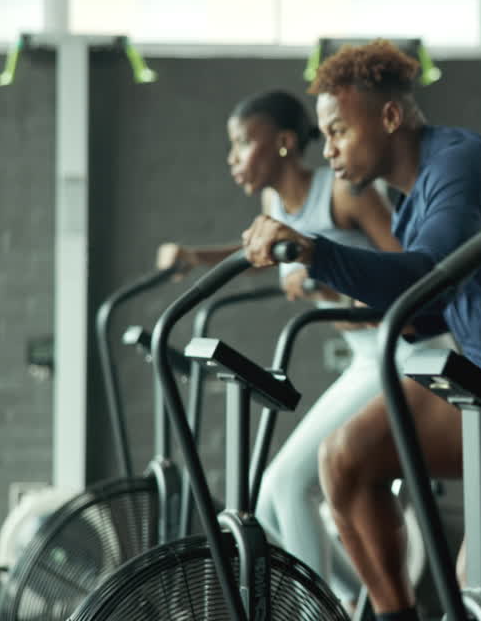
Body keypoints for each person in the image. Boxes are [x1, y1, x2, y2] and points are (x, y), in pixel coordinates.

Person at [238, 40, 481, 621]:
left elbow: (427, 273)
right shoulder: (410, 207)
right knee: (346, 459)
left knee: (475, 597)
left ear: (390, 117)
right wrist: (341, 290)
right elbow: (424, 310)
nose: (327, 151)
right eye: (323, 136)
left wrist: (315, 252)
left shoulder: (459, 163)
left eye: (339, 132)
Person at [156, 89, 424, 607]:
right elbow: (260, 253)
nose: (233, 158)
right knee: (269, 497)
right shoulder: (274, 204)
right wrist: (196, 256)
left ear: (282, 142)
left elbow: (416, 282)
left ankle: (320, 611)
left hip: (404, 354)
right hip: (365, 358)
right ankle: (350, 603)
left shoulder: (345, 194)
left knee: (289, 484)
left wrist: (325, 281)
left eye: (242, 143)